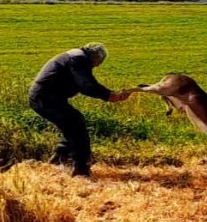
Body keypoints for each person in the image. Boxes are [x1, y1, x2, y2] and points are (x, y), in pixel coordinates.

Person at [28, 42, 130, 177]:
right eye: (98, 63)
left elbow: (83, 83)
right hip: (46, 99)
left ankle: (60, 159)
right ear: (95, 58)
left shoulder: (74, 56)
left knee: (73, 124)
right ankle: (81, 169)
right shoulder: (78, 60)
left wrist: (108, 94)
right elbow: (86, 85)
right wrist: (109, 95)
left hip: (45, 97)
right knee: (77, 127)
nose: (97, 66)